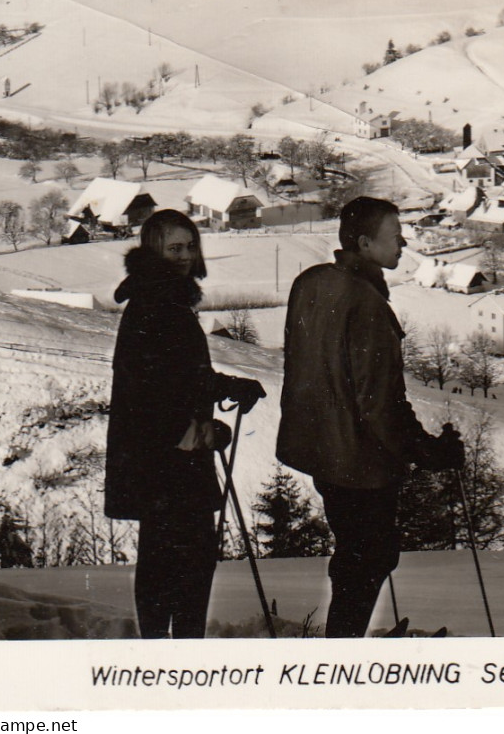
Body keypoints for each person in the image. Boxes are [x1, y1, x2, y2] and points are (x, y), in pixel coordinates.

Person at [277, 195, 463, 638]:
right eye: (394, 236)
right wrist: (430, 450)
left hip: (325, 453)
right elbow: (380, 403)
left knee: (355, 554)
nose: (403, 243)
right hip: (361, 461)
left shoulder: (311, 284)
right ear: (364, 242)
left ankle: (346, 642)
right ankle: (346, 652)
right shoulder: (367, 304)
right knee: (370, 556)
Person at [105, 209, 266, 639]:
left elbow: (179, 375)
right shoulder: (156, 304)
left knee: (178, 562)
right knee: (179, 565)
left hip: (168, 460)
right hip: (166, 462)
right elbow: (145, 391)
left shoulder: (165, 300)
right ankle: (172, 658)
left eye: (191, 245)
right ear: (152, 250)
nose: (185, 255)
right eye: (174, 247)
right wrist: (199, 433)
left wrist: (228, 385)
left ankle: (171, 652)